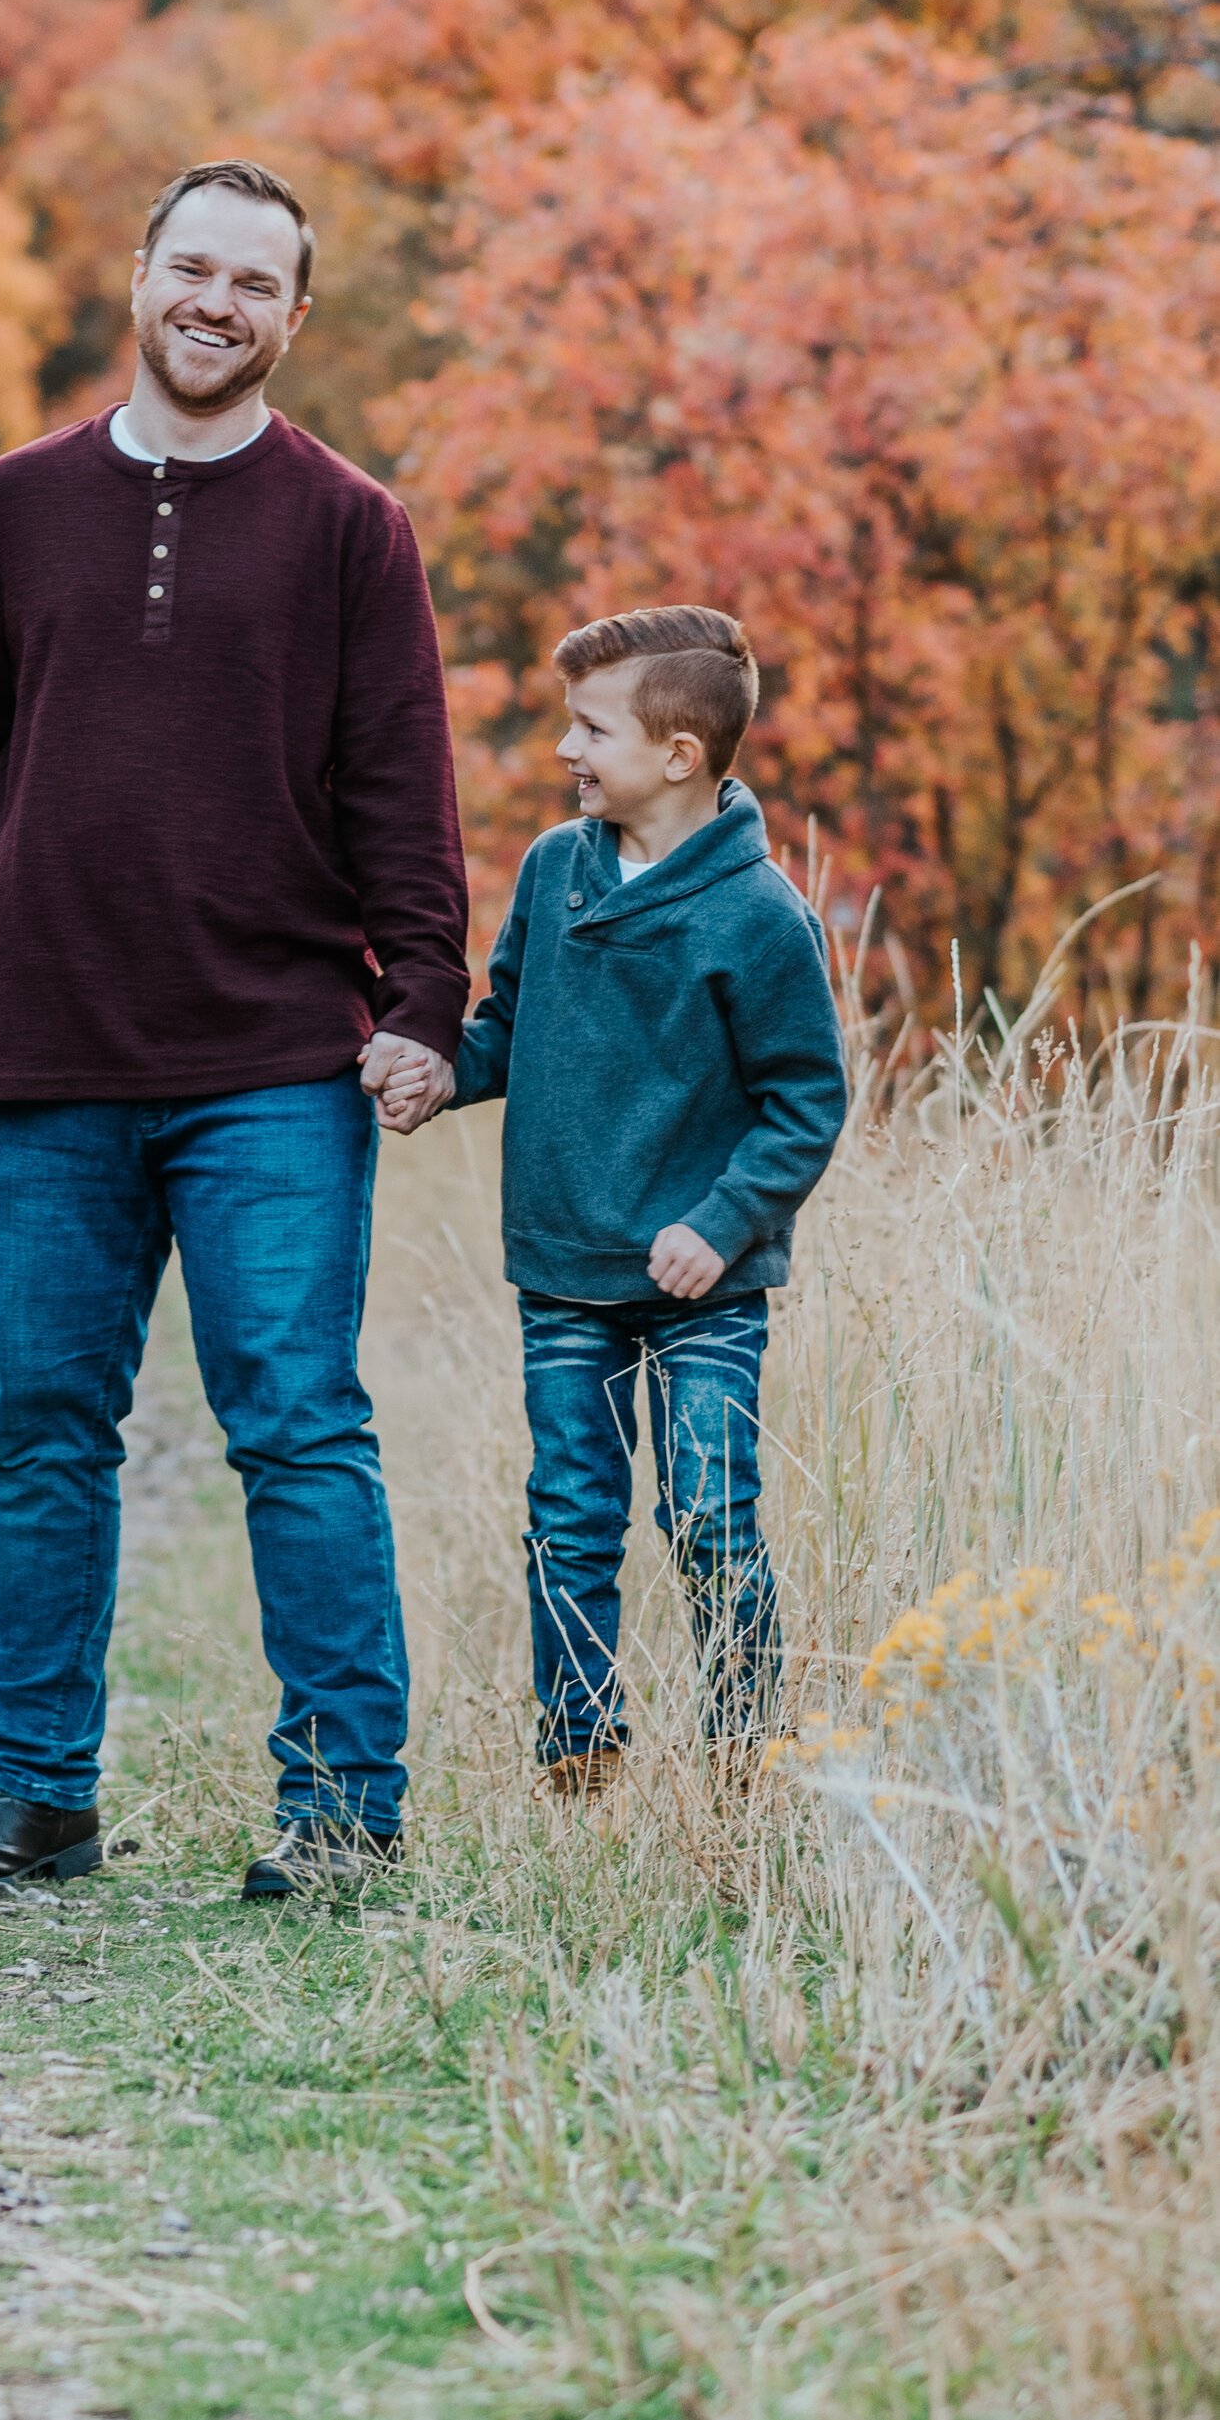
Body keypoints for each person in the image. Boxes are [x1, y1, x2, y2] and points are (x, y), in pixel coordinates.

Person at [0, 159, 471, 1905]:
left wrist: (423, 1001)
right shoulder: (18, 501)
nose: (215, 303)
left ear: (296, 318)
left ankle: (348, 1811)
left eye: (254, 283)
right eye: (189, 268)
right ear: (138, 278)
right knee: (44, 1421)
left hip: (274, 1056)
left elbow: (401, 787)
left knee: (295, 1420)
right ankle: (36, 1792)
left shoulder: (351, 525)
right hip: (43, 1040)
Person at [453, 608, 849, 1794]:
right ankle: (580, 1751)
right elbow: (505, 1029)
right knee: (570, 1518)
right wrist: (431, 1069)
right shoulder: (552, 869)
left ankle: (741, 1758)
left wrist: (720, 1222)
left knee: (711, 1516)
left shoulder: (757, 913)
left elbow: (804, 1102)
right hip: (563, 1272)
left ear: (679, 755)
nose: (566, 749)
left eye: (590, 728)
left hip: (703, 1288)